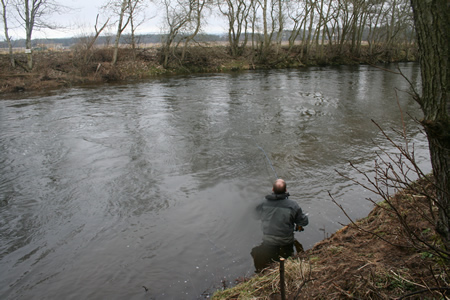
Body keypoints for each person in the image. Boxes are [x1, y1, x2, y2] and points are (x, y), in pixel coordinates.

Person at [251, 179, 308, 272]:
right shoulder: (293, 205)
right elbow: (304, 222)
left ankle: (269, 273)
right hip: (286, 241)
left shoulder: (263, 203)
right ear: (286, 190)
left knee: (270, 262)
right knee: (287, 261)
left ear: (272, 189)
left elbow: (255, 216)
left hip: (268, 241)